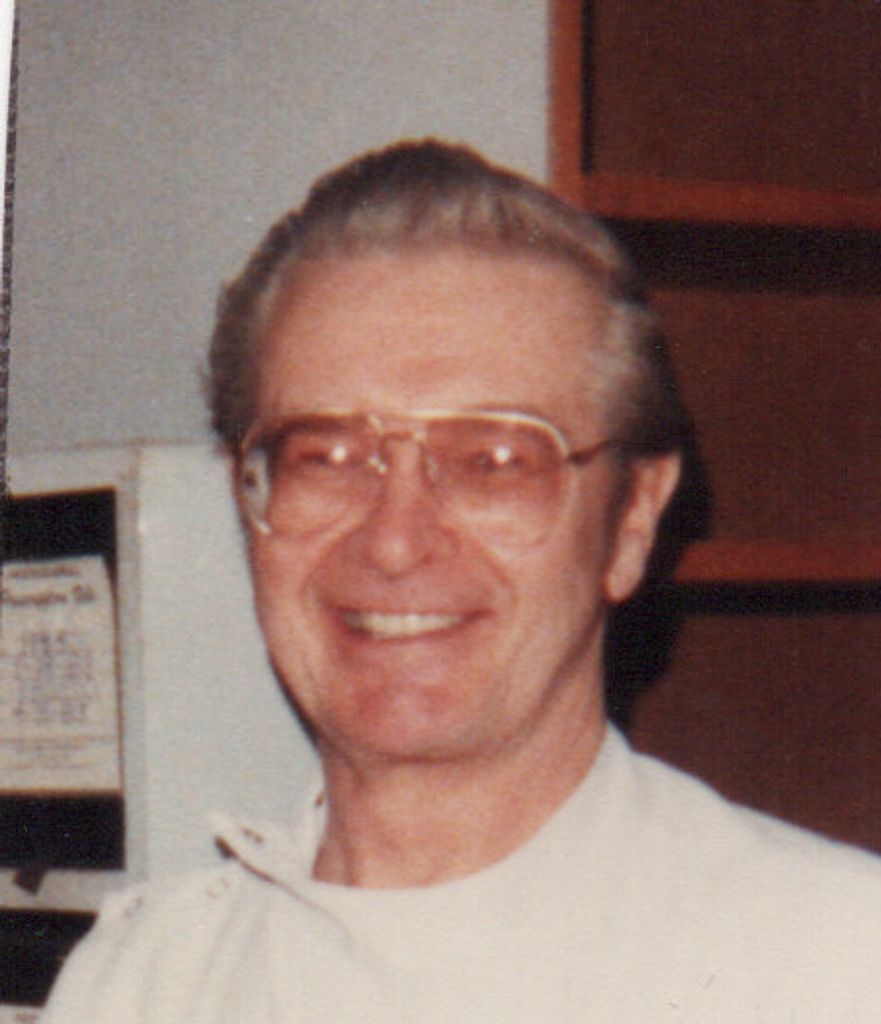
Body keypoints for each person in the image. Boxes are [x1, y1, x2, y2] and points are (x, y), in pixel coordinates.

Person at [42, 140, 881, 1022]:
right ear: (246, 498)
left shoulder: (828, 964)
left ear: (632, 518)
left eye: (493, 461)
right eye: (327, 457)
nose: (394, 541)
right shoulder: (139, 982)